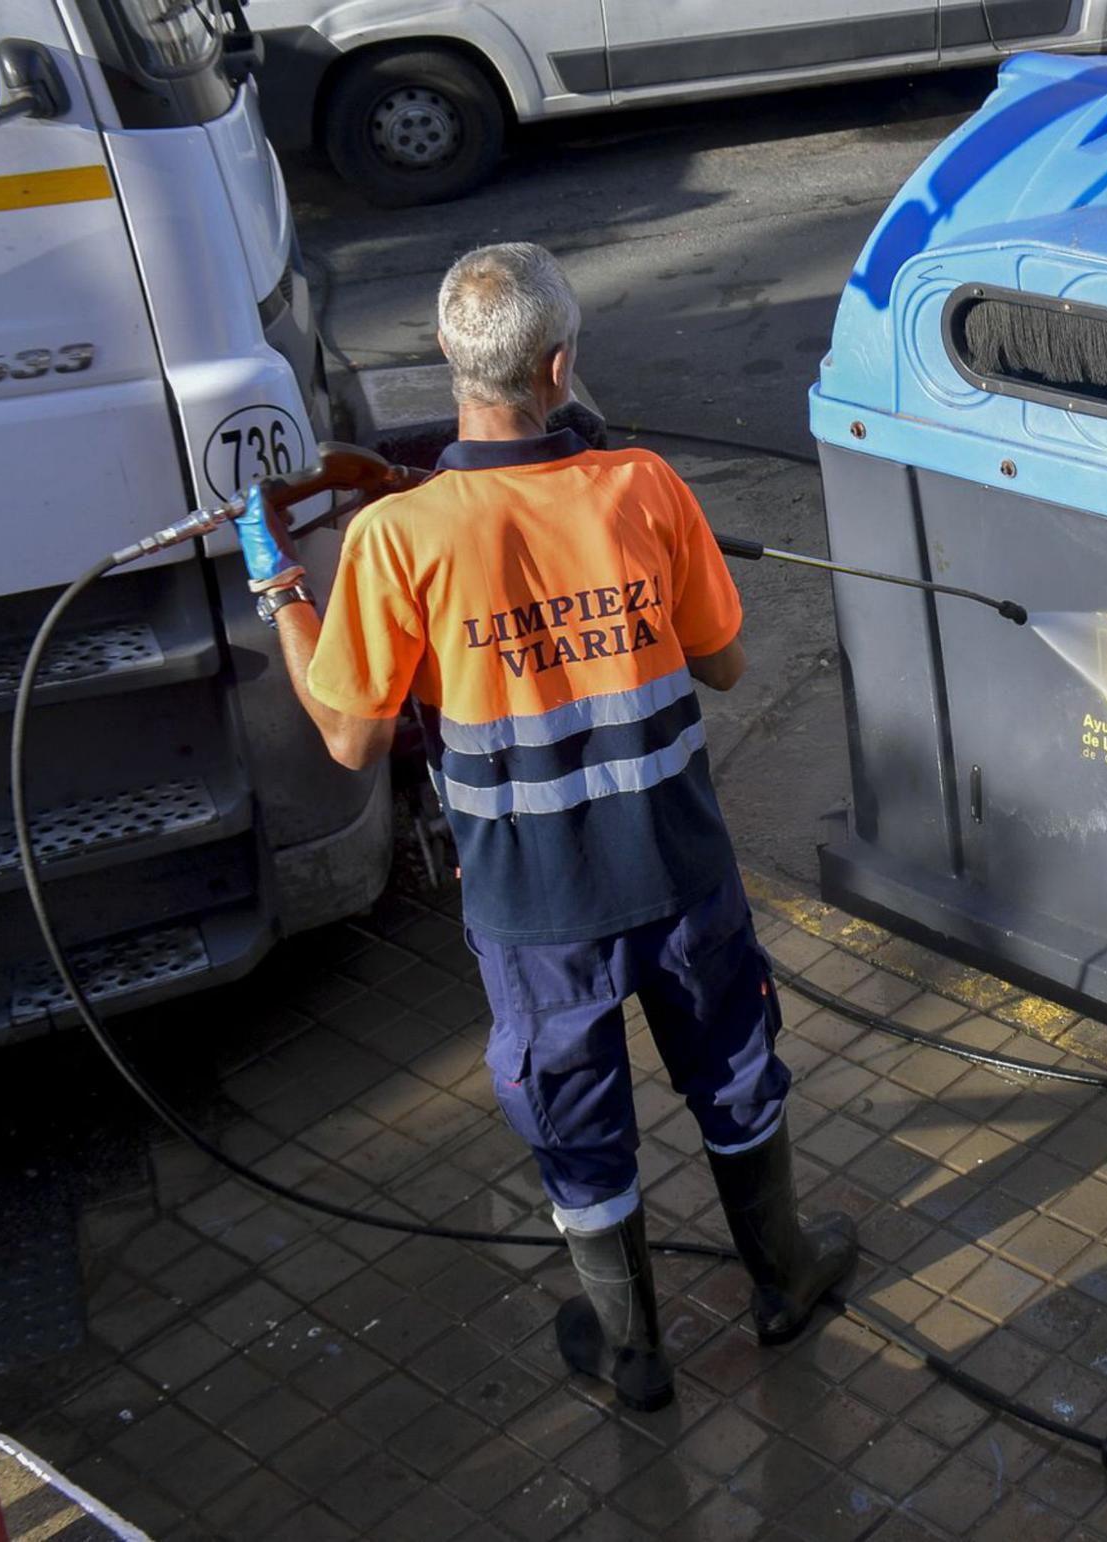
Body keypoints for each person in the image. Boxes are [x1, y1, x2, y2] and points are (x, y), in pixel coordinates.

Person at [235, 241, 857, 1412]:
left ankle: (637, 1360)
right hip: (679, 869)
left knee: (576, 1119)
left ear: (451, 363)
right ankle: (785, 1283)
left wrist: (280, 590)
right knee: (731, 1070)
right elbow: (721, 663)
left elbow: (348, 738)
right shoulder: (645, 488)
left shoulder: (397, 540)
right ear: (560, 363)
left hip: (536, 907)